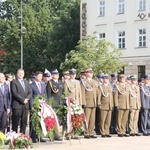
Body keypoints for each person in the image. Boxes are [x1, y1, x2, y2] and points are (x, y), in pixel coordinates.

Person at [11, 69, 32, 134]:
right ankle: (14, 138)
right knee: (15, 123)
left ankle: (22, 136)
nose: (20, 74)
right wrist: (23, 100)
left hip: (25, 106)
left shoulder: (26, 82)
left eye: (22, 73)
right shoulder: (14, 82)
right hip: (17, 105)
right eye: (19, 73)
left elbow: (30, 92)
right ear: (17, 74)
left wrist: (27, 99)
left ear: (24, 74)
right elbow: (14, 93)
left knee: (24, 122)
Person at [81, 68, 100, 139]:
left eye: (91, 72)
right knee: (87, 119)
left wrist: (98, 102)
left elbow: (97, 93)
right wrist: (83, 102)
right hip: (87, 102)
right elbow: (82, 93)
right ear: (86, 73)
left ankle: (91, 132)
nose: (91, 74)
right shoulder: (84, 82)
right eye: (89, 72)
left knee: (92, 119)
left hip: (94, 102)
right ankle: (86, 132)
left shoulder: (95, 82)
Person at [46, 69, 64, 141]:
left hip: (60, 103)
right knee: (52, 120)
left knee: (58, 120)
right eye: (54, 74)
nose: (55, 76)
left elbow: (63, 93)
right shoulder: (49, 83)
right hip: (53, 104)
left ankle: (57, 134)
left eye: (56, 74)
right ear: (52, 75)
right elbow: (48, 94)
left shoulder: (61, 82)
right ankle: (51, 135)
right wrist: (49, 104)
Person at [29, 71, 47, 143]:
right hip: (35, 106)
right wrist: (32, 106)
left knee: (41, 121)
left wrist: (45, 104)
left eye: (41, 76)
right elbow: (31, 97)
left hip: (42, 105)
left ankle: (39, 136)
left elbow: (45, 94)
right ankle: (33, 137)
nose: (40, 78)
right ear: (36, 76)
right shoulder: (31, 85)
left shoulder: (43, 84)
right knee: (34, 121)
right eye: (39, 76)